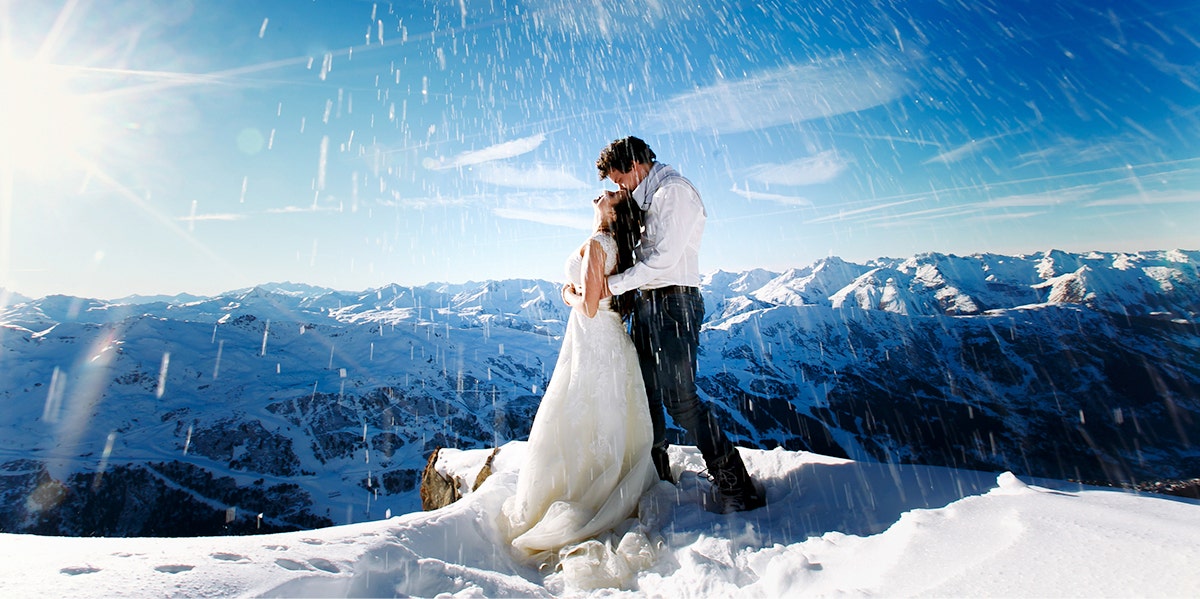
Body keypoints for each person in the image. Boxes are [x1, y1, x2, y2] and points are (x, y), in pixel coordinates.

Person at [596, 136, 766, 514]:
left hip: (673, 303)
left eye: (619, 178)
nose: (618, 186)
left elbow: (664, 259)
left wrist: (610, 285)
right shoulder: (648, 196)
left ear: (637, 165)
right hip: (648, 301)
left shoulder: (674, 192)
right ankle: (656, 475)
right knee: (645, 392)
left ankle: (735, 483)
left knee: (681, 398)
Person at [500, 189, 658, 564]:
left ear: (615, 213)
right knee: (605, 408)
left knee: (578, 406)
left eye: (611, 195)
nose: (603, 192)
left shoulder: (598, 243)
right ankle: (604, 480)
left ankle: (582, 489)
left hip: (592, 332)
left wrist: (567, 294)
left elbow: (588, 305)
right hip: (609, 334)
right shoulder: (614, 245)